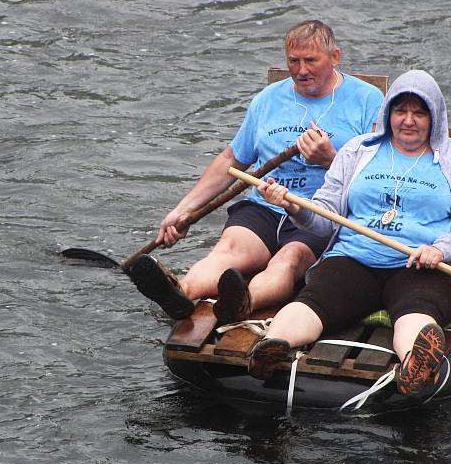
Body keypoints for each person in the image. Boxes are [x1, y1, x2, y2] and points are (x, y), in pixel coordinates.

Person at [252, 69, 451, 396]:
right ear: (388, 113)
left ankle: (417, 361)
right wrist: (295, 207)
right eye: (400, 111)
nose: (408, 120)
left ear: (434, 116)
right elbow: (325, 215)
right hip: (355, 258)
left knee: (416, 307)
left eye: (419, 112)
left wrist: (442, 250)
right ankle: (272, 346)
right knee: (317, 298)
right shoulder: (358, 151)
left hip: (424, 266)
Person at [129, 20, 384, 323]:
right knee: (227, 249)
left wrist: (331, 159)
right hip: (265, 204)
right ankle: (182, 292)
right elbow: (231, 160)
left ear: (335, 57)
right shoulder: (268, 99)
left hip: (319, 213)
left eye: (311, 60)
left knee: (288, 260)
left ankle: (244, 301)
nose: (301, 70)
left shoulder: (369, 101)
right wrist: (183, 210)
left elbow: (380, 175)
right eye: (294, 61)